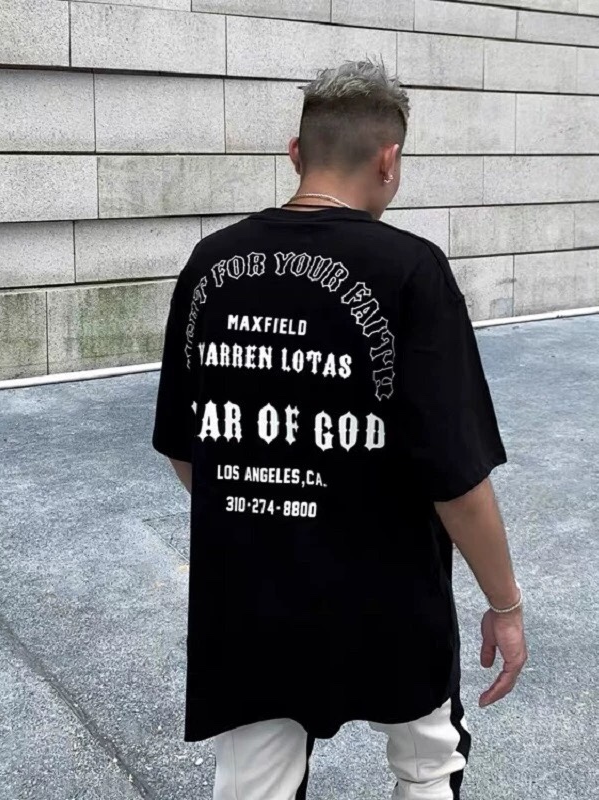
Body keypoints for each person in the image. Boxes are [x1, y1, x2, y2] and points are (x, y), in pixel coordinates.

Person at [152, 59, 527, 800]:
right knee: (427, 764)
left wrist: (266, 510)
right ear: (389, 160)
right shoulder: (412, 271)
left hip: (251, 595)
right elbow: (457, 479)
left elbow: (185, 448)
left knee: (252, 786)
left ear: (296, 153)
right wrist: (506, 605)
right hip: (393, 595)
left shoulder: (210, 263)